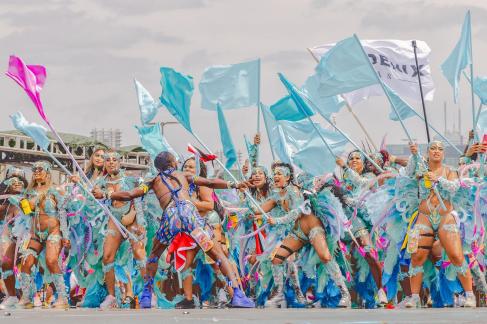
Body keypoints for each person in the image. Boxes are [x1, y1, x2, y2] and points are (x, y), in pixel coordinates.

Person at [94, 151, 255, 308]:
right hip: (189, 214)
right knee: (218, 254)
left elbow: (130, 194)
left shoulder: (153, 180)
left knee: (154, 256)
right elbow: (210, 182)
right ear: (172, 163)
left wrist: (106, 195)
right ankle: (237, 295)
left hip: (171, 217)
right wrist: (234, 184)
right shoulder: (183, 175)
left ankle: (146, 296)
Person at [405, 141, 475, 308]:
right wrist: (414, 154)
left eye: (440, 149)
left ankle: (470, 295)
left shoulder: (449, 171)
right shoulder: (420, 169)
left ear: (443, 153)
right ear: (427, 152)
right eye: (433, 148)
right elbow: (408, 173)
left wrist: (438, 179)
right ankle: (414, 297)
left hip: (445, 216)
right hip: (425, 216)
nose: (436, 151)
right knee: (417, 257)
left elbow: (454, 187)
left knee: (456, 256)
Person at [92, 151, 148, 309]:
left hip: (132, 218)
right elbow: (95, 200)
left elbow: (140, 197)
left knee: (139, 253)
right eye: (107, 160)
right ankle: (111, 296)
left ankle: (148, 293)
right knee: (107, 257)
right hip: (114, 220)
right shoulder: (101, 182)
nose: (110, 162)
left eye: (114, 160)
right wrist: (94, 194)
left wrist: (134, 215)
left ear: (119, 162)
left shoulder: (131, 179)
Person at [17, 161, 71, 309]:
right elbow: (26, 214)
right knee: (27, 262)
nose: (36, 171)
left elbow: (62, 214)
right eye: (34, 169)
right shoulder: (29, 192)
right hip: (35, 233)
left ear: (47, 171)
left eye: (40, 169)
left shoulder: (55, 190)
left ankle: (62, 297)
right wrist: (27, 203)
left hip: (53, 231)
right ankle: (26, 297)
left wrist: (65, 236)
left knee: (51, 261)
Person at [0, 167, 28, 309]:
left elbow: (30, 215)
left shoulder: (27, 197)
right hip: (8, 236)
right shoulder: (3, 201)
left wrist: (22, 202)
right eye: (13, 180)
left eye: (20, 180)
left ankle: (28, 296)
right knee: (5, 263)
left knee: (29, 265)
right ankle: (11, 296)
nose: (17, 183)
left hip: (27, 236)